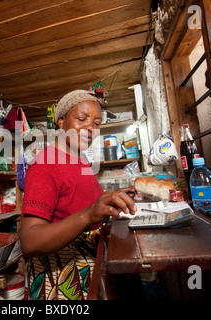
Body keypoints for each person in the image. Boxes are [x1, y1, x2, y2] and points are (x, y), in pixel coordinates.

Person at [20, 89, 137, 300]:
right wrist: (89, 215)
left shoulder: (80, 160)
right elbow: (29, 242)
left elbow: (79, 204)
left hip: (92, 270)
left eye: (97, 123)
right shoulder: (44, 165)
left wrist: (110, 199)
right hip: (65, 282)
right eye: (82, 119)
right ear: (61, 121)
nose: (90, 128)